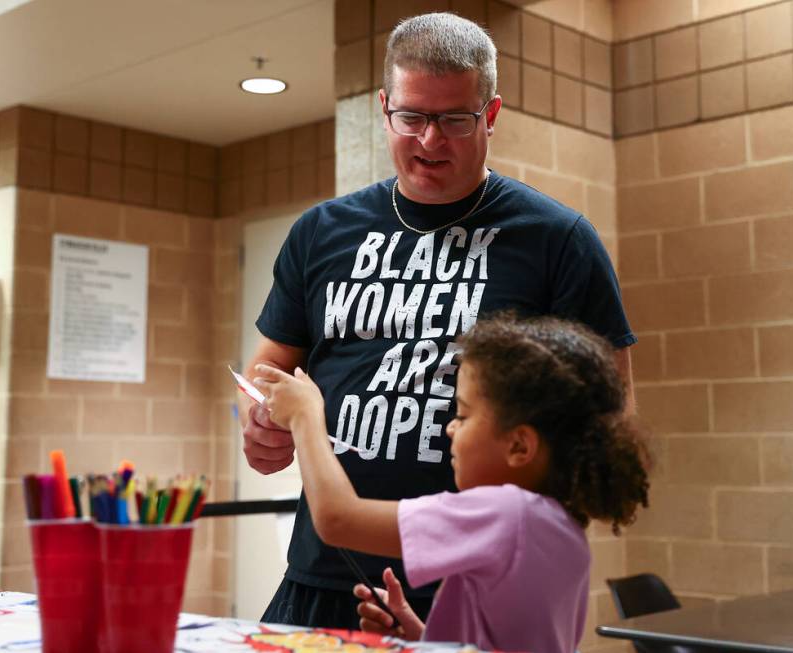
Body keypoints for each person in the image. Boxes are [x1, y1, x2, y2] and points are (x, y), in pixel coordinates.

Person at [240, 12, 636, 628]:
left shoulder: (558, 239)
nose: (430, 140)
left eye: (455, 119)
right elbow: (266, 372)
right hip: (324, 575)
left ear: (491, 115)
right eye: (413, 117)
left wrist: (530, 528)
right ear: (384, 107)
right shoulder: (320, 231)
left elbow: (610, 415)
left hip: (476, 580)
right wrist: (260, 424)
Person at [254, 312, 650, 653]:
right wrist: (421, 636)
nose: (450, 427)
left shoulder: (507, 514)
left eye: (463, 414)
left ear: (519, 445)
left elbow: (338, 520)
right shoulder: (558, 525)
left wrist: (306, 416)